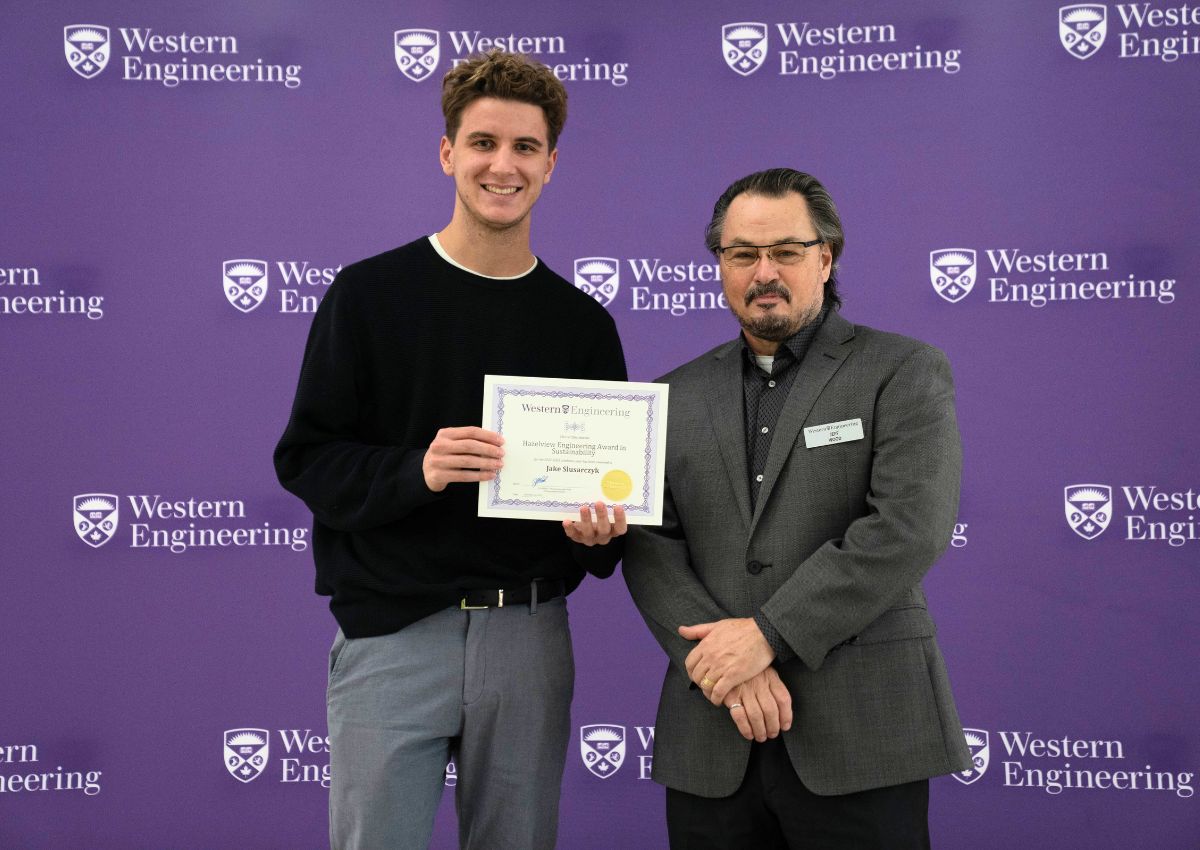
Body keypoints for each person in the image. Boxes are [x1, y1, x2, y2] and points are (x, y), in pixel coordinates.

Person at [274, 50, 627, 850]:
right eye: (482, 143)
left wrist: (601, 532)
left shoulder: (583, 325)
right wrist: (416, 469)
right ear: (447, 154)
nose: (503, 166)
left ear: (551, 164)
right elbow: (308, 458)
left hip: (528, 637)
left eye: (525, 148)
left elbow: (611, 498)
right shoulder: (367, 295)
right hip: (395, 634)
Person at [624, 168, 971, 849]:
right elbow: (649, 544)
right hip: (713, 737)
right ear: (720, 263)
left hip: (863, 736)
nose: (764, 272)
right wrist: (723, 669)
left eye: (785, 251)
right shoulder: (671, 395)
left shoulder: (903, 370)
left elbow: (907, 527)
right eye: (743, 254)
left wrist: (766, 636)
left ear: (826, 256)